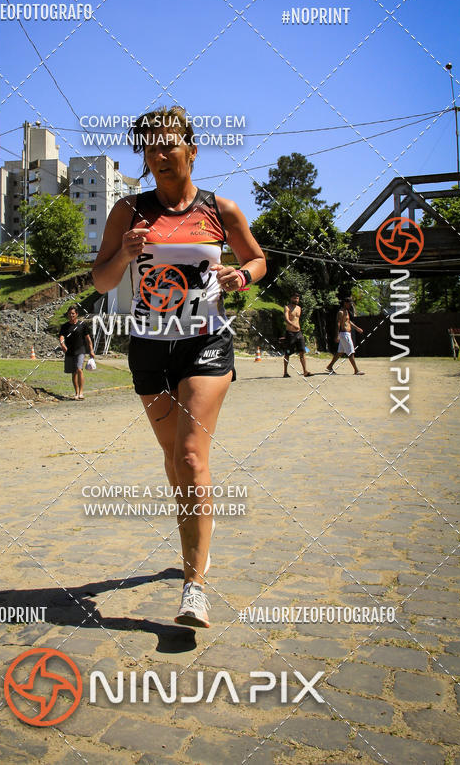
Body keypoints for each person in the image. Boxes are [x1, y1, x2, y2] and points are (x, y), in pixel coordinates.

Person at [92, 106, 267, 627]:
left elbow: (258, 259)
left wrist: (241, 276)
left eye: (168, 144)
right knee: (174, 460)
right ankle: (196, 533)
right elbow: (101, 281)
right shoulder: (128, 210)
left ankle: (195, 587)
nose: (160, 154)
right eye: (150, 147)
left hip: (205, 344)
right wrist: (124, 255)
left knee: (190, 457)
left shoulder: (221, 209)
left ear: (192, 150)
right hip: (149, 347)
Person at [58, 305, 94, 400]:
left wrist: (91, 350)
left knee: (79, 369)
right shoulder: (65, 326)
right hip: (70, 351)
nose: (71, 315)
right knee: (73, 372)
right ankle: (76, 392)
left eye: (73, 313)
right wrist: (62, 344)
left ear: (77, 314)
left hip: (80, 350)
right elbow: (61, 336)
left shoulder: (82, 325)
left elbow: (88, 339)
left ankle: (81, 392)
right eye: (69, 313)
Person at [326, 297, 365, 375]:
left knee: (340, 352)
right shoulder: (340, 312)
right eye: (349, 304)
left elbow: (348, 321)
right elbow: (338, 324)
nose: (350, 305)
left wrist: (357, 328)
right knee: (351, 352)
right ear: (345, 303)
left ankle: (330, 366)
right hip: (344, 334)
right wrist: (337, 335)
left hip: (346, 334)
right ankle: (356, 370)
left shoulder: (346, 311)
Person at [282, 292, 313, 378]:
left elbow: (297, 319)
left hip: (298, 333)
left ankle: (305, 371)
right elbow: (286, 319)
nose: (296, 300)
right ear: (291, 298)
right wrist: (293, 325)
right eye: (294, 298)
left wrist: (297, 326)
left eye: (297, 298)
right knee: (287, 353)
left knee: (302, 351)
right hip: (290, 333)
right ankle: (285, 372)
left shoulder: (299, 308)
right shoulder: (287, 308)